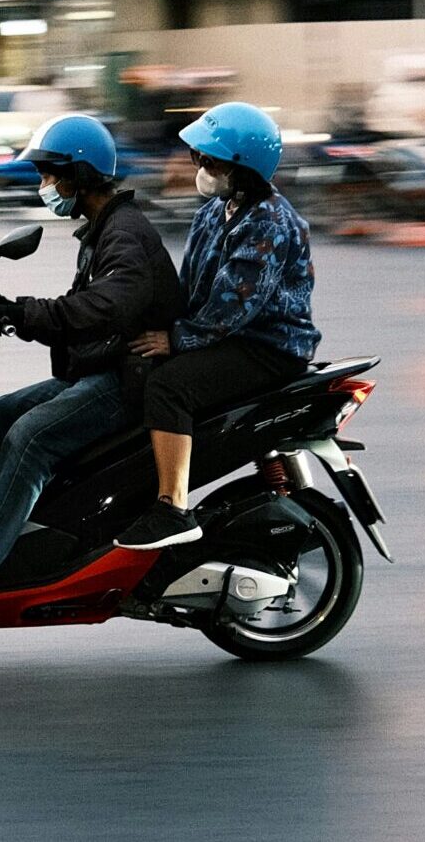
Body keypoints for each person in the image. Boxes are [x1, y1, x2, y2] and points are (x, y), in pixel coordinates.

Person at [0, 114, 182, 590]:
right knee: (2, 411)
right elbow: (81, 312)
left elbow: (101, 309)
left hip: (128, 378)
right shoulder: (102, 227)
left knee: (30, 437)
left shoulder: (124, 234)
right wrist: (1, 310)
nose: (46, 185)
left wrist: (20, 314)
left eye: (51, 175)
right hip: (105, 365)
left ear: (81, 175)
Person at [116, 102, 321, 550]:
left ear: (242, 167)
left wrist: (174, 340)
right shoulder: (214, 211)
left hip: (268, 347)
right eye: (200, 158)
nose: (202, 168)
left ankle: (172, 508)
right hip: (226, 337)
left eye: (212, 161)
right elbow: (190, 286)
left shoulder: (271, 223)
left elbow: (232, 306)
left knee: (169, 387)